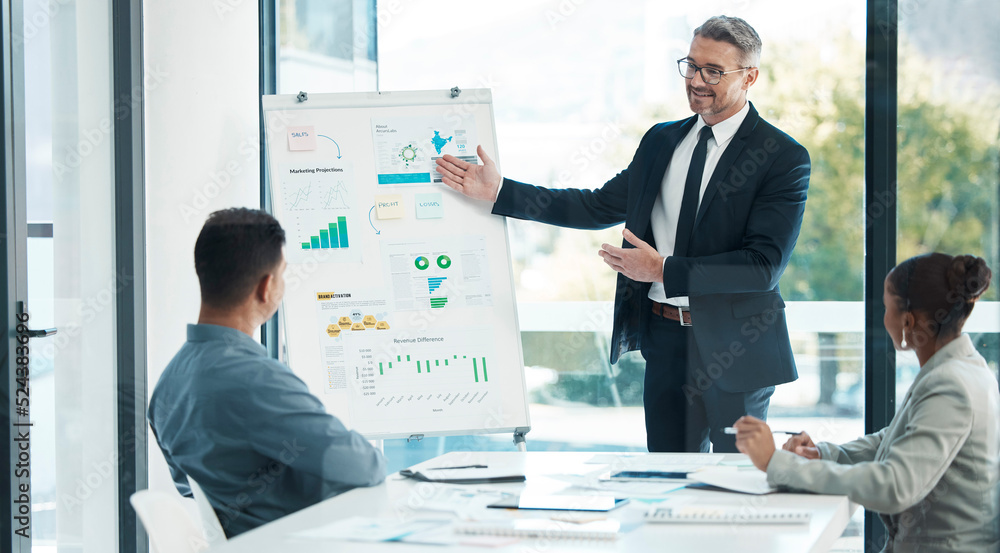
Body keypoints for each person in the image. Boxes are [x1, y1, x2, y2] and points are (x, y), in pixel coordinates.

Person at [435, 15, 810, 452]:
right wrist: (501, 191)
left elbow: (762, 267)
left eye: (713, 71)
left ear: (750, 77)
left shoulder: (781, 157)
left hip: (738, 351)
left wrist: (663, 270)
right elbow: (596, 205)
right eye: (691, 65)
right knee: (667, 482)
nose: (696, 80)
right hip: (666, 341)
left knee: (738, 487)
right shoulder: (662, 142)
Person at [735, 253, 999, 552]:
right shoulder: (961, 367)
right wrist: (822, 454)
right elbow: (894, 439)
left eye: (886, 307)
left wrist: (776, 463)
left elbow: (895, 485)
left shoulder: (950, 383)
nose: (882, 317)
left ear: (908, 321)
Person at [148, 208, 385, 537]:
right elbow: (364, 466)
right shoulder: (256, 379)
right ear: (266, 285)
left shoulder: (167, 385)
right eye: (283, 274)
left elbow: (188, 487)